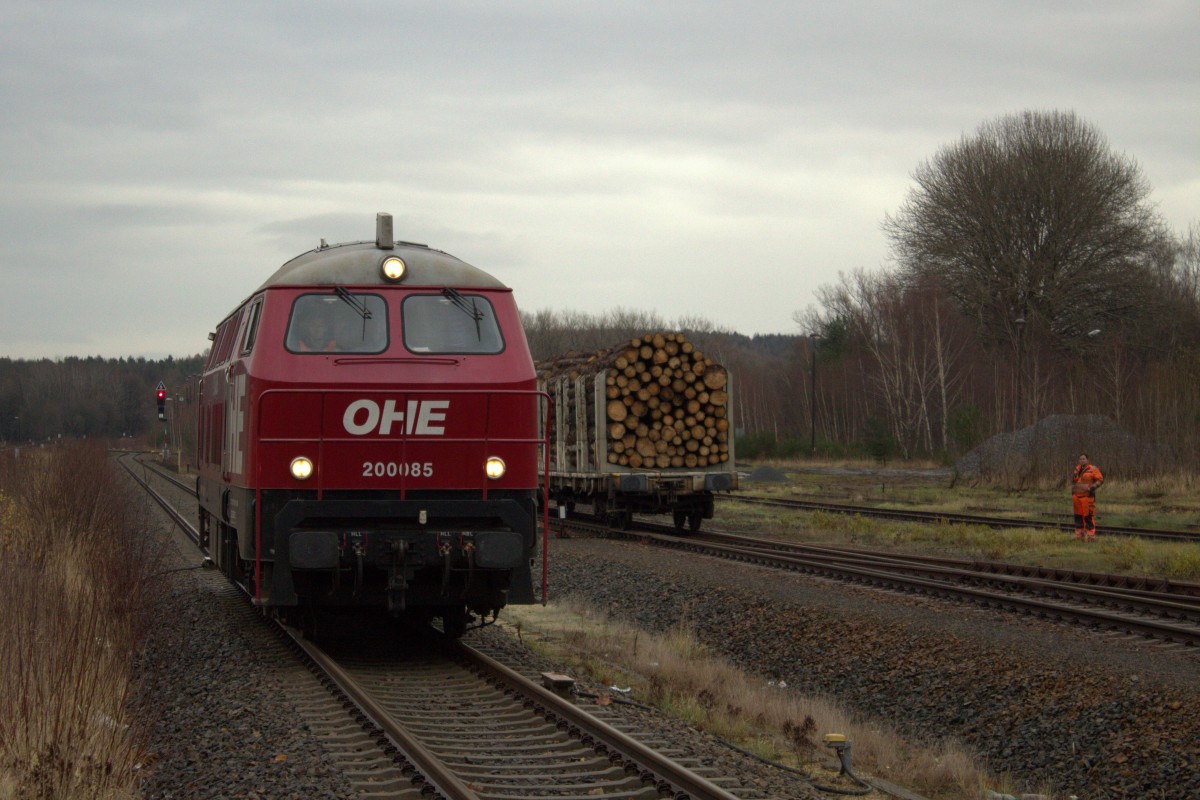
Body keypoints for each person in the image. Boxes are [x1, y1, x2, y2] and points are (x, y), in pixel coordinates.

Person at [1071, 453, 1104, 541]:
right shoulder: (1077, 469)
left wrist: (1092, 487)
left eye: (1084, 459)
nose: (1082, 460)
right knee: (1078, 517)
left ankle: (1091, 537)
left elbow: (1100, 480)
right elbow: (1074, 481)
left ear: (1087, 460)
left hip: (1087, 497)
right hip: (1076, 497)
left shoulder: (1093, 469)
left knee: (1088, 517)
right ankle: (1079, 537)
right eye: (1080, 459)